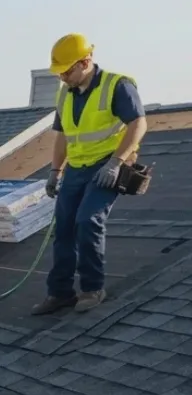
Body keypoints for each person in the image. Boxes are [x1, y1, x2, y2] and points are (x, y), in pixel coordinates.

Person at [32, 33, 148, 315]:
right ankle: (60, 293)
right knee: (64, 228)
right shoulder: (65, 94)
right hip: (76, 168)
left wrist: (117, 162)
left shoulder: (116, 85)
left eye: (66, 71)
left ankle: (93, 288)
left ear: (85, 62)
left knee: (88, 220)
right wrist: (55, 171)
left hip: (107, 166)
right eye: (59, 72)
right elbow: (61, 136)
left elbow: (138, 124)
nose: (62, 78)